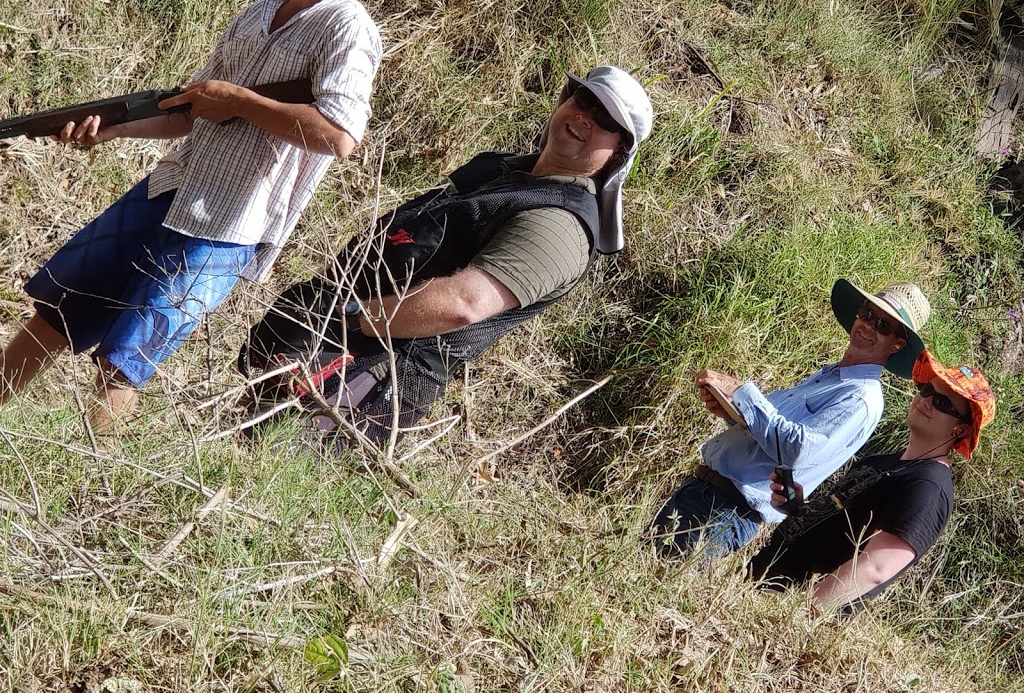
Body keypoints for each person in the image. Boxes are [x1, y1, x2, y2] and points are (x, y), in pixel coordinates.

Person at [0, 0, 393, 431]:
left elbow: (339, 136)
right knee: (55, 312)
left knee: (126, 362)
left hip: (230, 223)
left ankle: (93, 484)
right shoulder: (261, 7)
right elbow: (189, 112)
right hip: (171, 186)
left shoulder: (349, 31)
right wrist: (106, 130)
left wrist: (238, 101)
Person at [239, 65, 654, 449]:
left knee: (264, 469)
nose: (586, 117)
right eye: (584, 100)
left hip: (367, 375)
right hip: (325, 334)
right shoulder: (505, 173)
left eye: (605, 122)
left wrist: (347, 317)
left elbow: (463, 306)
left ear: (618, 153)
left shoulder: (559, 225)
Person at [650, 279, 931, 560]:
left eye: (883, 325)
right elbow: (772, 438)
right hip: (703, 494)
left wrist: (741, 392)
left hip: (725, 510)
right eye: (868, 314)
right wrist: (733, 413)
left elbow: (798, 450)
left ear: (897, 344)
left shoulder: (861, 399)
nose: (869, 325)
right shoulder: (831, 378)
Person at [749, 350, 995, 610]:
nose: (927, 401)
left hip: (787, 606)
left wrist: (797, 613)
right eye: (927, 390)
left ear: (962, 429)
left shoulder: (928, 485)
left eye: (943, 404)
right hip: (760, 582)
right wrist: (797, 508)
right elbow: (838, 524)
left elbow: (876, 568)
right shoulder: (880, 462)